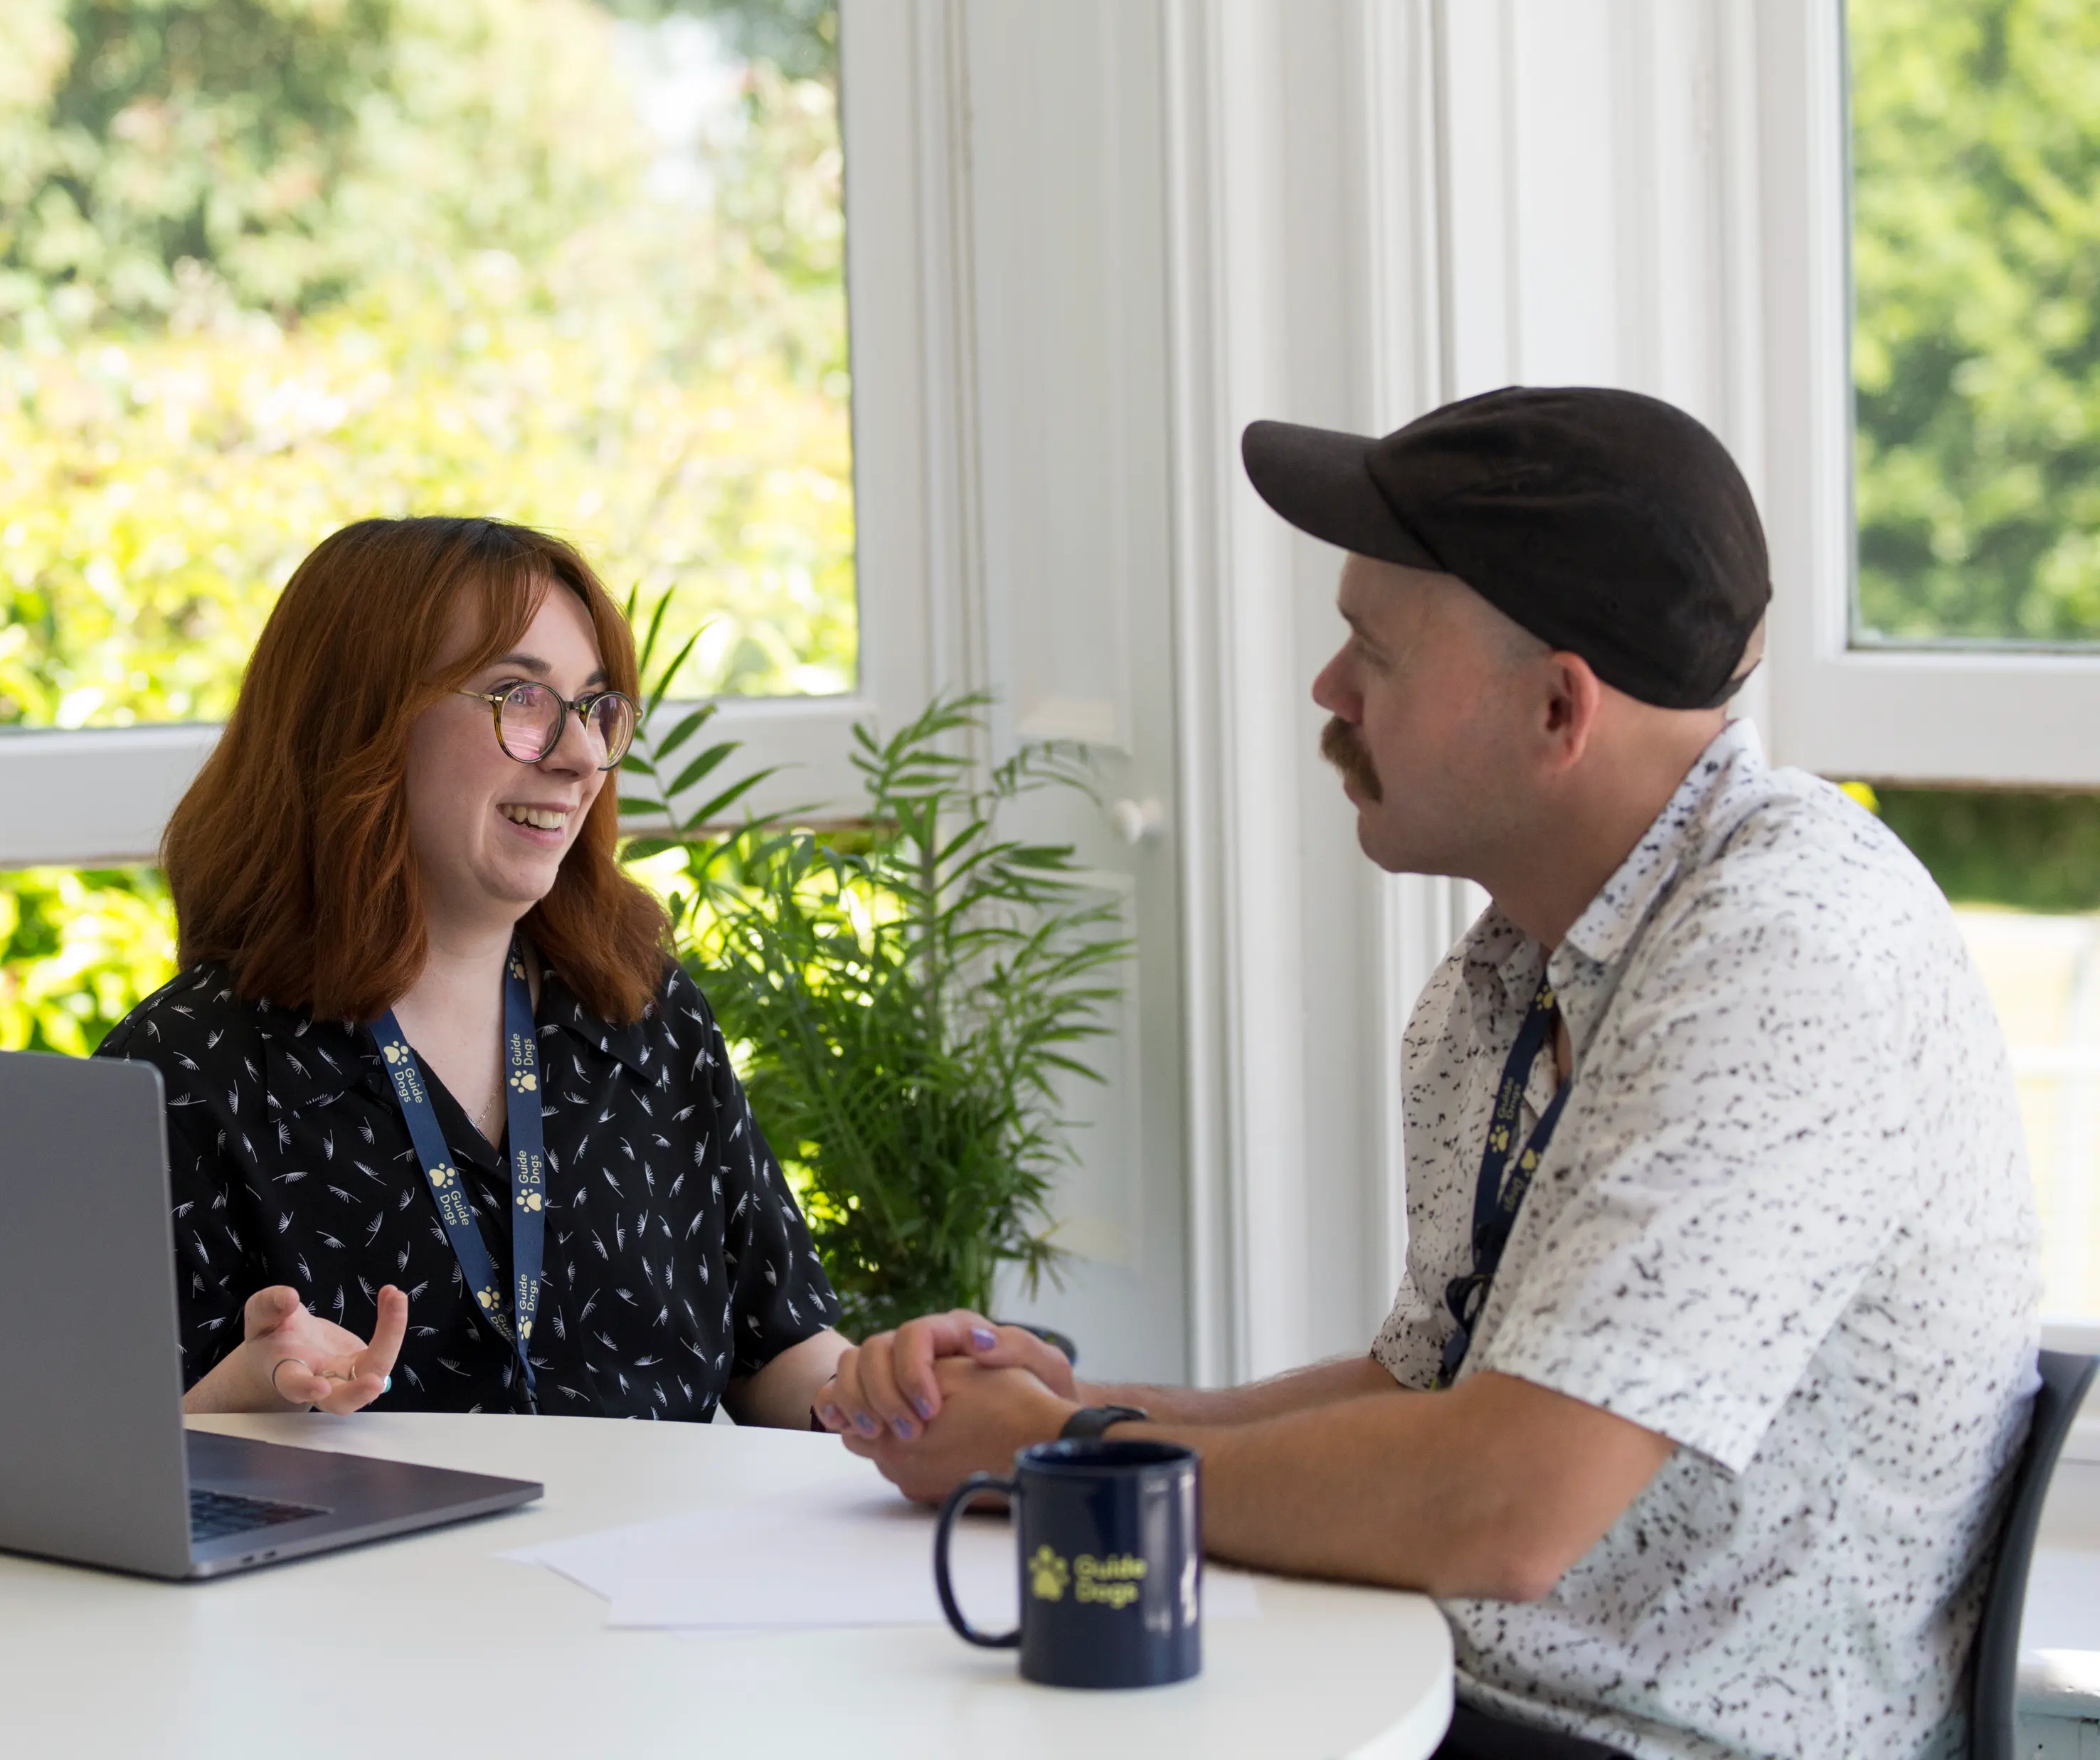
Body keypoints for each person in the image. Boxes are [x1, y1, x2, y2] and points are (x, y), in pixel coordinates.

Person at [815, 388, 2042, 1760]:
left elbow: (1505, 1510)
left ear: (1559, 708)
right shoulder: (1511, 971)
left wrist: (1050, 1465)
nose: (1329, 692)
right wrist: (1069, 1410)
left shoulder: (1788, 961)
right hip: (1465, 1703)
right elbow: (1431, 1395)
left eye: (1373, 651)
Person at [99, 514, 849, 1428]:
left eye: (594, 709)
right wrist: (244, 1399)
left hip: (654, 1570)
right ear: (360, 724)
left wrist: (898, 1395)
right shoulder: (181, 1070)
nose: (579, 759)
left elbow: (786, 1353)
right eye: (520, 698)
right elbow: (98, 1466)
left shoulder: (639, 1007)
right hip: (368, 1575)